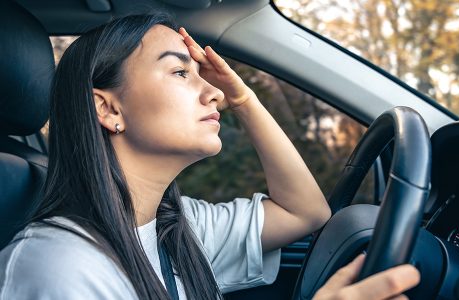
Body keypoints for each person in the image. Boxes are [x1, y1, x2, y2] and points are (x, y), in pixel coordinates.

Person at [0, 13, 419, 300]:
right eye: (181, 72)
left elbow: (305, 212)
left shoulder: (180, 228)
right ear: (108, 109)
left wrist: (246, 100)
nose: (215, 93)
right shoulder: (55, 265)